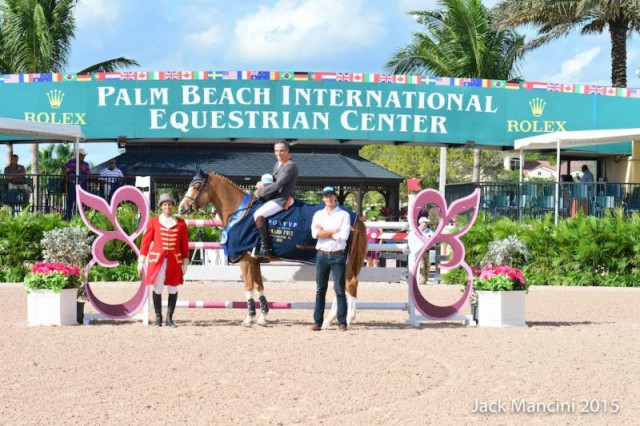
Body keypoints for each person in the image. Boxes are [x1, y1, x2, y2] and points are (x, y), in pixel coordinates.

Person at [138, 193, 190, 327]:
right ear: (161, 206)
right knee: (158, 288)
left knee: (173, 288)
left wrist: (185, 261)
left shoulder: (181, 223)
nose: (167, 207)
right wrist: (141, 260)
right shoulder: (153, 221)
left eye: (169, 204)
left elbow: (184, 244)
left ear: (173, 206)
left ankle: (170, 318)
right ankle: (158, 318)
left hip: (174, 260)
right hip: (157, 260)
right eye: (165, 204)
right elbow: (146, 242)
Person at [310, 186, 351, 331]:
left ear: (335, 197)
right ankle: (317, 321)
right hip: (322, 254)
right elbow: (315, 234)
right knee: (320, 289)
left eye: (331, 196)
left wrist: (324, 232)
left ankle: (342, 322)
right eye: (326, 196)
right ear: (323, 198)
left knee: (340, 289)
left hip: (337, 255)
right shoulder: (318, 214)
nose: (328, 198)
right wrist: (334, 231)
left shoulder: (344, 215)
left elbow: (344, 236)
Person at [253, 141, 299, 258]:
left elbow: (278, 184)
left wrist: (260, 193)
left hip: (283, 199)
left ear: (288, 151)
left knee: (258, 214)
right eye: (276, 151)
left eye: (282, 150)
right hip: (275, 196)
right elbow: (271, 182)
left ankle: (265, 248)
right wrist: (261, 184)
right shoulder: (278, 164)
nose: (279, 153)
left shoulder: (290, 166)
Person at [62, 149, 91, 220]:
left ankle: (79, 217)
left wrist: (84, 170)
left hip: (82, 184)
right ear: (78, 155)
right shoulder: (71, 161)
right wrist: (67, 172)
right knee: (70, 200)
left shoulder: (86, 164)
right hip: (72, 183)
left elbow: (89, 173)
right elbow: (63, 167)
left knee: (81, 201)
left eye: (83, 155)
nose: (83, 157)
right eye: (81, 155)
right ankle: (68, 217)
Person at [407, 216, 433, 284]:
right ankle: (421, 280)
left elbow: (432, 238)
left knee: (428, 265)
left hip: (427, 251)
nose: (426, 224)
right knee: (421, 265)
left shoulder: (429, 230)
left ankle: (425, 280)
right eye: (425, 222)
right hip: (419, 251)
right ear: (421, 223)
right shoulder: (415, 231)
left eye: (427, 223)